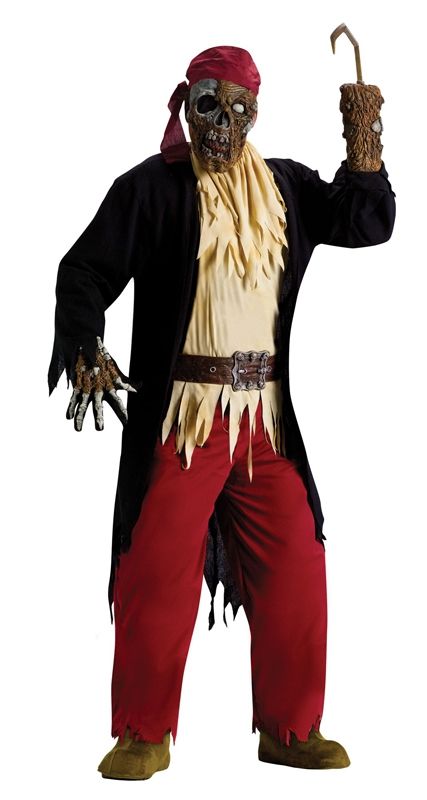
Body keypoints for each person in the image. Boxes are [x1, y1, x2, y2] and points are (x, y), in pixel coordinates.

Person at [47, 45, 396, 779]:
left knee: (297, 563)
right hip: (186, 418)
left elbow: (367, 221)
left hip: (265, 420)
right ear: (186, 105)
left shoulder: (285, 188)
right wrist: (84, 345)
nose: (223, 123)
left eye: (239, 109)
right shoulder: (152, 188)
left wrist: (361, 128)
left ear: (255, 115)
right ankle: (143, 732)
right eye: (209, 105)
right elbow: (84, 271)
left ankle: (290, 729)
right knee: (156, 570)